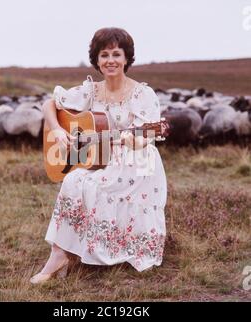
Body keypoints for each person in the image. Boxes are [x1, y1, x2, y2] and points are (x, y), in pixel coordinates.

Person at [30, 27, 167, 284]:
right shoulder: (90, 91)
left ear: (127, 59)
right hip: (101, 157)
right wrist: (58, 130)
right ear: (97, 60)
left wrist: (132, 140)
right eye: (104, 55)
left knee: (94, 185)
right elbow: (49, 104)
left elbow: (147, 136)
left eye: (117, 53)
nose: (111, 60)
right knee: (72, 181)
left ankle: (108, 250)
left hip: (136, 163)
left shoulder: (143, 94)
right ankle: (60, 253)